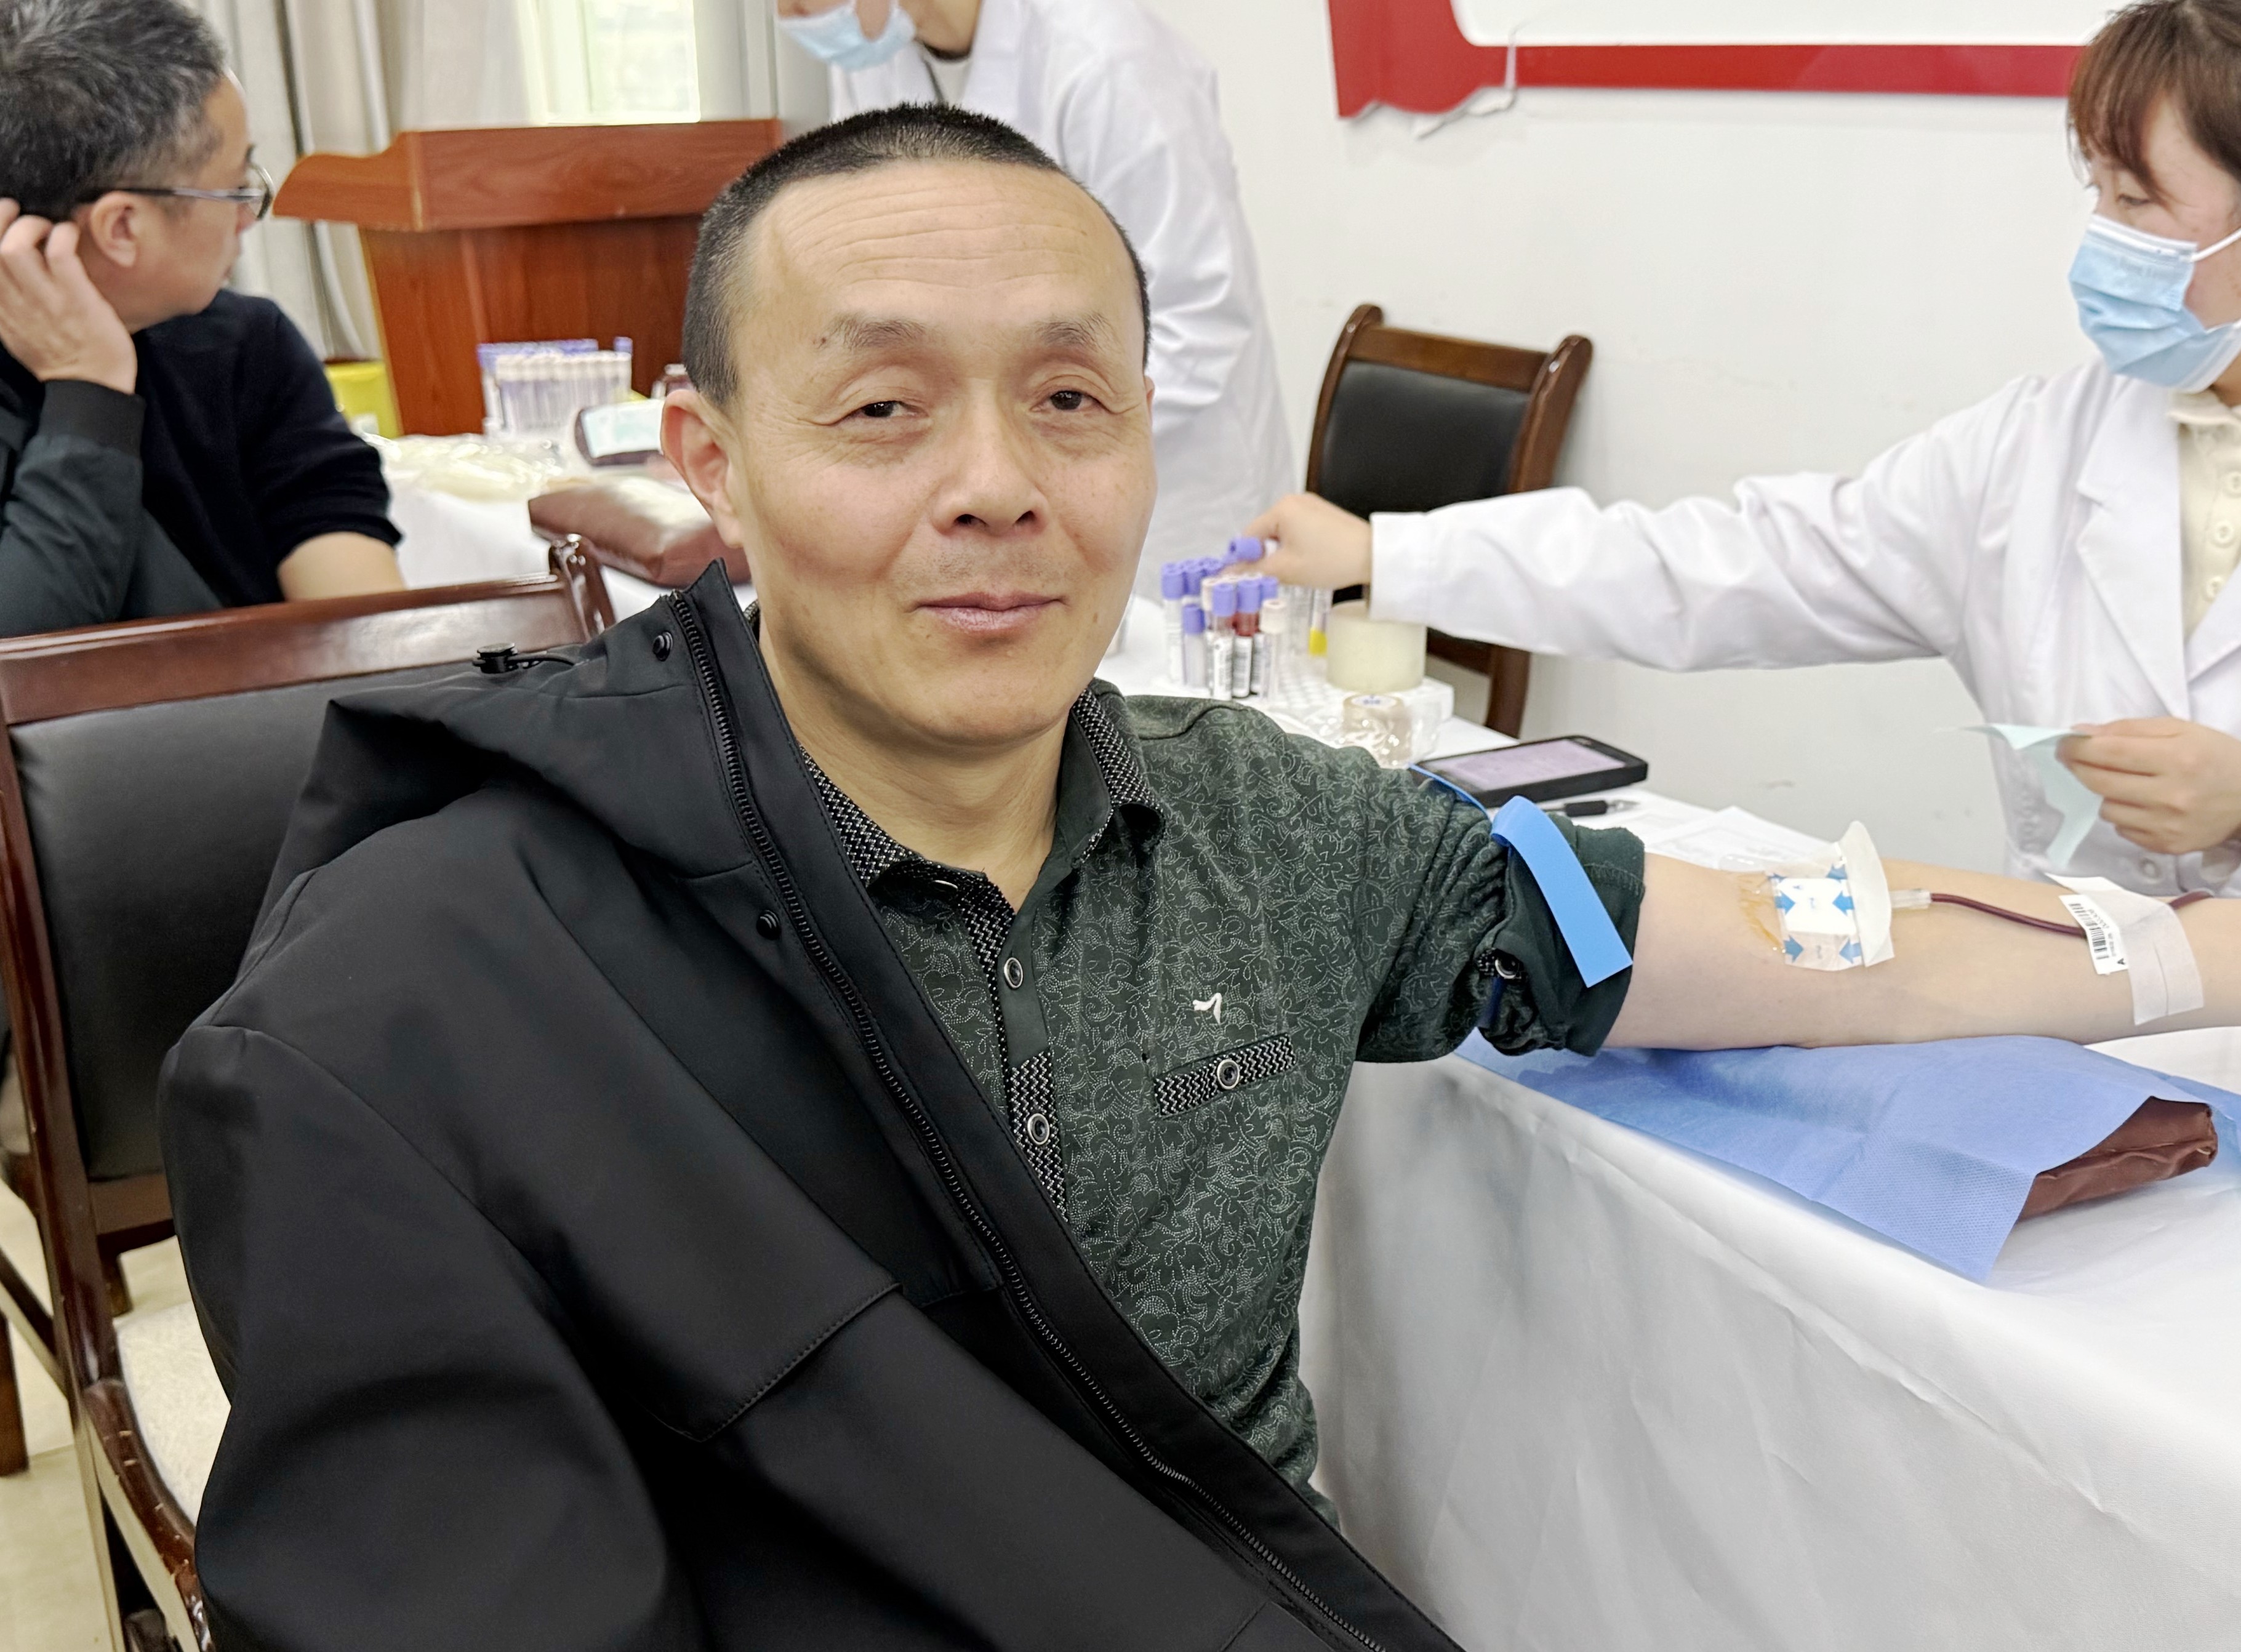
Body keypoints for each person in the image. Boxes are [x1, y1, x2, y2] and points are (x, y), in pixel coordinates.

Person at [162, 107, 2241, 1651]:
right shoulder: (422, 1004)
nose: (997, 485)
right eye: (882, 407)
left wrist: (2181, 949)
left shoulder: (1282, 833)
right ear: (709, 458)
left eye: (1070, 399)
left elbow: (1794, 943)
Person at [1248, 0, 2241, 902]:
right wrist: (1390, 554)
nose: (2099, 241)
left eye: (2137, 203)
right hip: (2079, 989)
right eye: (2099, 192)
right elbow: (1723, 563)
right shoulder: (2037, 451)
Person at [777, 0, 1293, 595]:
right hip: (980, 474)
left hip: (1176, 491)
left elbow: (1198, 317)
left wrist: (1039, 430)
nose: (790, 14)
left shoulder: (1109, 60)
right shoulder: (876, 58)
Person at [0, 0, 403, 640]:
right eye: (235, 186)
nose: (248, 214)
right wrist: (88, 391)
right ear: (122, 226)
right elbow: (22, 657)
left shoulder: (246, 348)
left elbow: (369, 634)